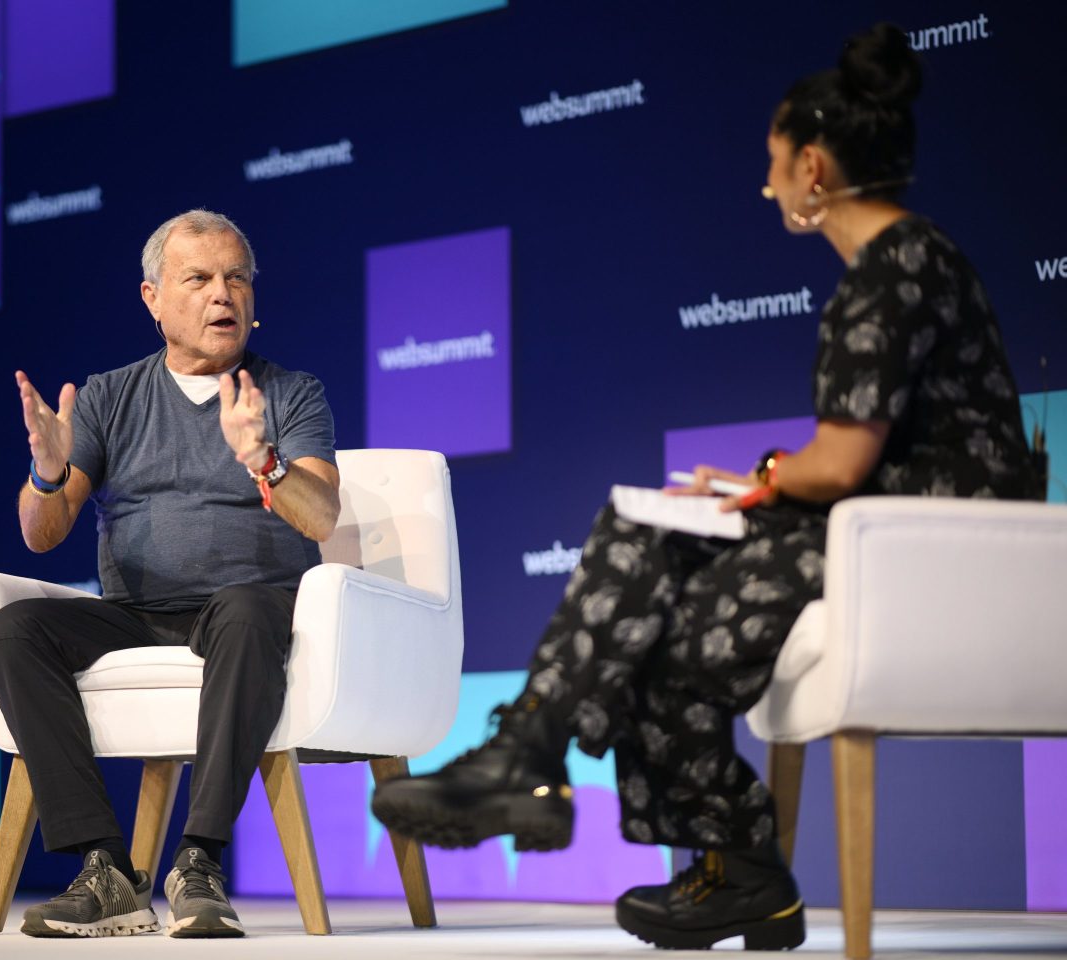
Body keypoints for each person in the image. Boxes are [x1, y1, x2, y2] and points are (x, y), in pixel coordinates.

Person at [371, 23, 1041, 951]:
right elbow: (863, 454)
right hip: (894, 526)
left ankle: (541, 760)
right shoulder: (909, 259)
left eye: (773, 164)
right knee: (656, 601)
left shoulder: (890, 268)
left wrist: (768, 478)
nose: (766, 184)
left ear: (813, 166)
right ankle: (726, 867)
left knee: (648, 567)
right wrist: (766, 481)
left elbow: (844, 464)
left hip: (926, 545)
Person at [0, 209, 340, 938]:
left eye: (237, 278)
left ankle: (199, 859)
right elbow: (42, 535)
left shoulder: (291, 393)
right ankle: (105, 867)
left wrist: (263, 460)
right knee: (13, 630)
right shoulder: (110, 397)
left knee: (245, 610)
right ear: (152, 299)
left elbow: (322, 516)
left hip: (244, 609)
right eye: (199, 279)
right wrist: (47, 475)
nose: (223, 296)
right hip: (136, 612)